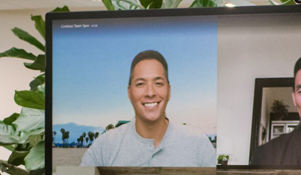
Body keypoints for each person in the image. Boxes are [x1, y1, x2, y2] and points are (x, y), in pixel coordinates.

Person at [80, 50, 216, 167]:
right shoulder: (104, 147)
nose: (150, 93)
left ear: (169, 90)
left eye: (158, 83)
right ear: (129, 92)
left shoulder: (198, 142)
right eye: (140, 84)